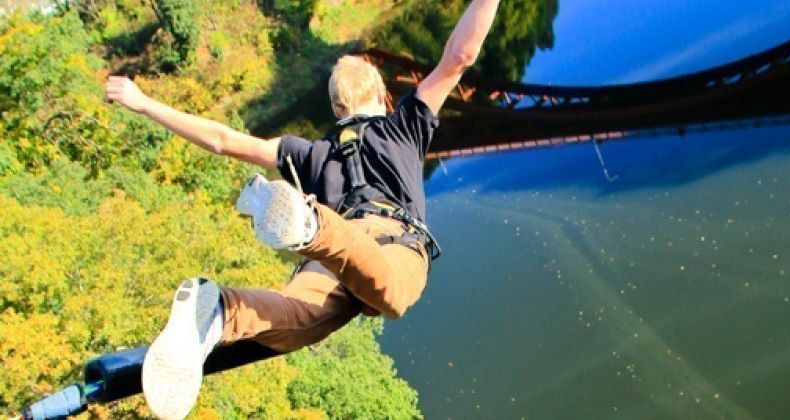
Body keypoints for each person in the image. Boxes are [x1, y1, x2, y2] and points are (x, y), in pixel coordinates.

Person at [104, 1, 501, 418]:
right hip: (388, 241)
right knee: (395, 294)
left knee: (295, 321)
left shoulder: (309, 153)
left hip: (327, 260)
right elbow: (459, 57)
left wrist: (145, 103)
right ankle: (311, 228)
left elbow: (223, 140)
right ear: (382, 96)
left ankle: (220, 307)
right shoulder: (402, 125)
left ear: (335, 109)